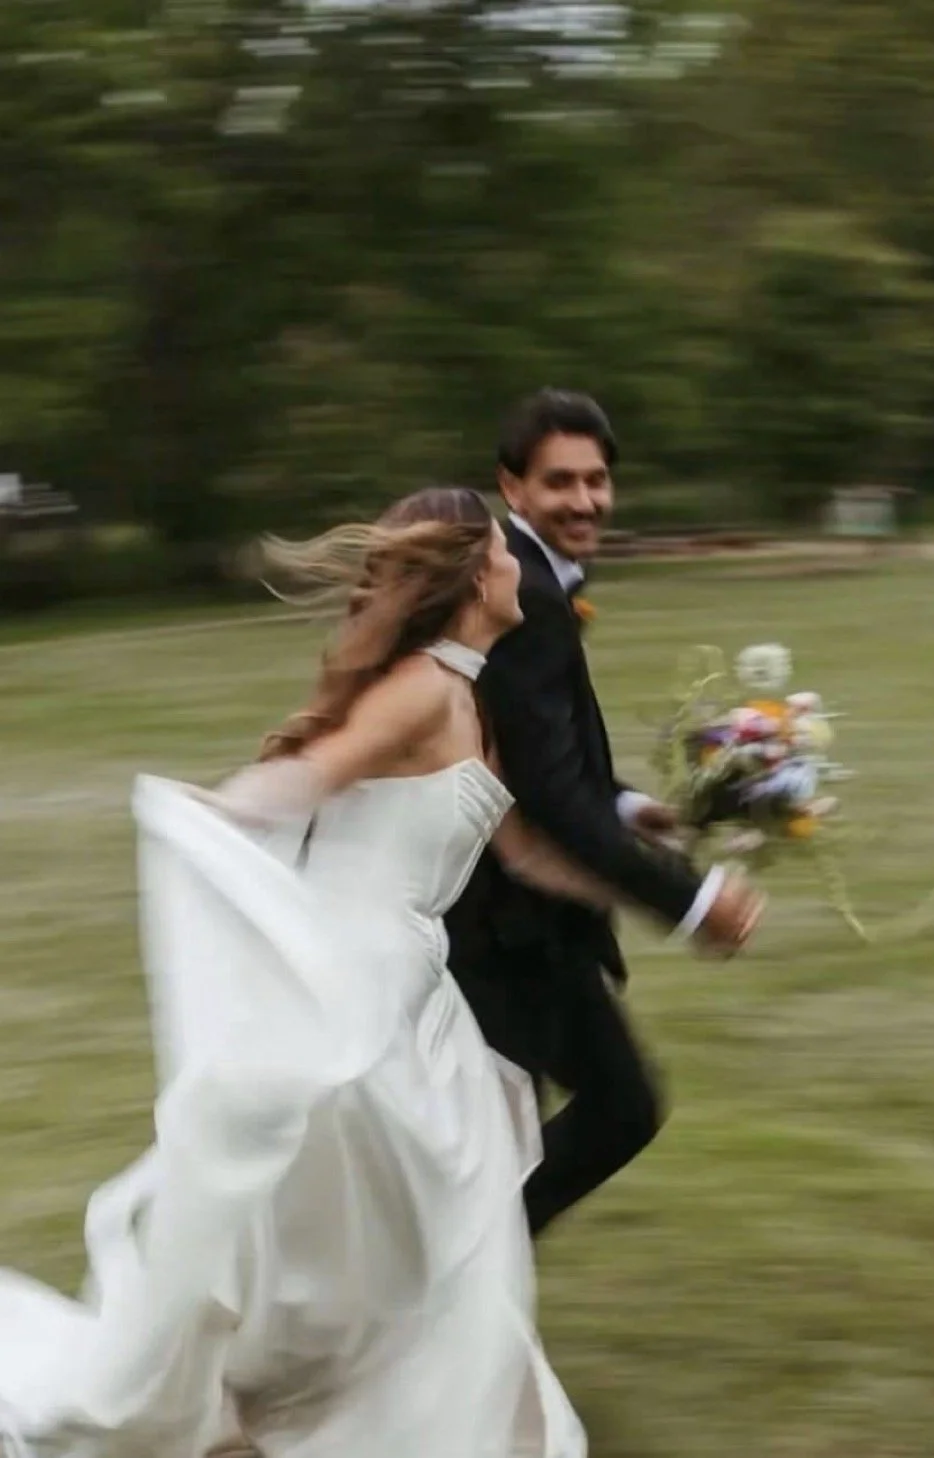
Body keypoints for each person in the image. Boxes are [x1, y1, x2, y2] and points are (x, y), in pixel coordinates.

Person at [0, 487, 762, 1458]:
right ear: (470, 578)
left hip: (417, 989)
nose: (515, 570)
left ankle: (326, 1396)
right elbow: (311, 775)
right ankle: (282, 1401)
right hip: (351, 987)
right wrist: (211, 816)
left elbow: (525, 853)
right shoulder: (420, 691)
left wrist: (668, 896)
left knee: (432, 1217)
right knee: (375, 1218)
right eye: (499, 554)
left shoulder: (471, 697)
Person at [446, 391, 761, 1237]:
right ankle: (456, 1294)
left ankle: (463, 1295)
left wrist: (625, 803)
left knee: (518, 1135)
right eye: (561, 482)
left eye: (597, 481)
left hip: (512, 919)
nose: (584, 500)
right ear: (511, 486)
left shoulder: (532, 575)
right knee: (609, 1111)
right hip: (503, 925)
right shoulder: (525, 593)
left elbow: (533, 751)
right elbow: (545, 798)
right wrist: (690, 902)